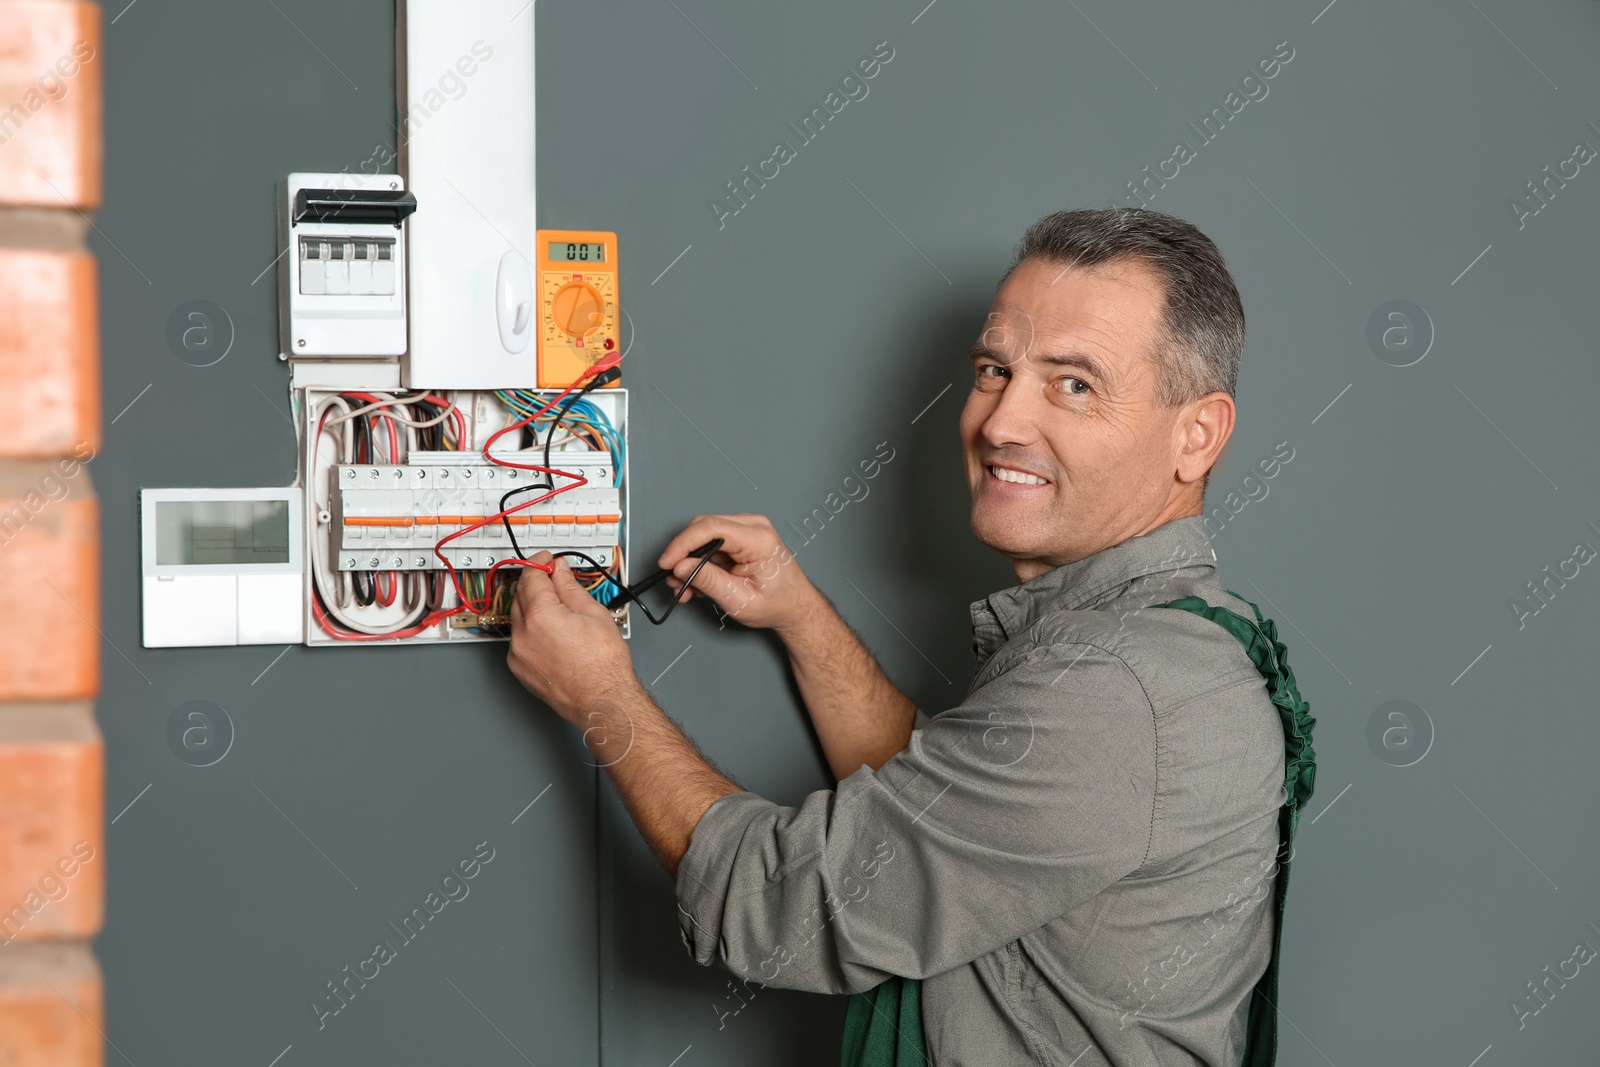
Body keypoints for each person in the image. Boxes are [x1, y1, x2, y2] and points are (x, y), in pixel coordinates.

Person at [506, 207, 1312, 1065]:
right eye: (995, 369)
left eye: (1075, 384)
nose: (1002, 421)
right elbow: (960, 821)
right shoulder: (1178, 642)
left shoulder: (1116, 694)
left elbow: (777, 909)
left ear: (1198, 435)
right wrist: (802, 618)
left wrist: (601, 695)